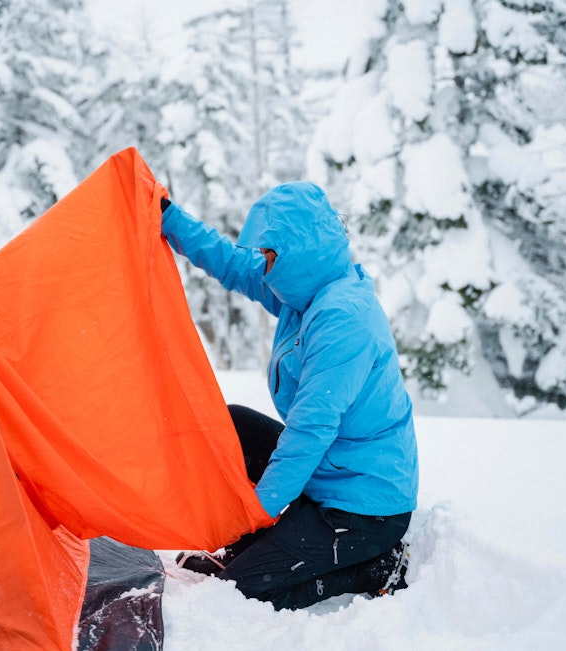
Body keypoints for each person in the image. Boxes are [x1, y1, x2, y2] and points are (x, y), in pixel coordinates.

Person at [159, 181, 419, 610]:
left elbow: (309, 432)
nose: (263, 266)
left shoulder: (343, 320)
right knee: (231, 423)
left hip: (365, 506)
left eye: (270, 256)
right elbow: (231, 262)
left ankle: (373, 567)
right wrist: (168, 218)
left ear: (301, 253)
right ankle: (276, 532)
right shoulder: (304, 293)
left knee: (241, 589)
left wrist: (257, 513)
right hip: (329, 474)